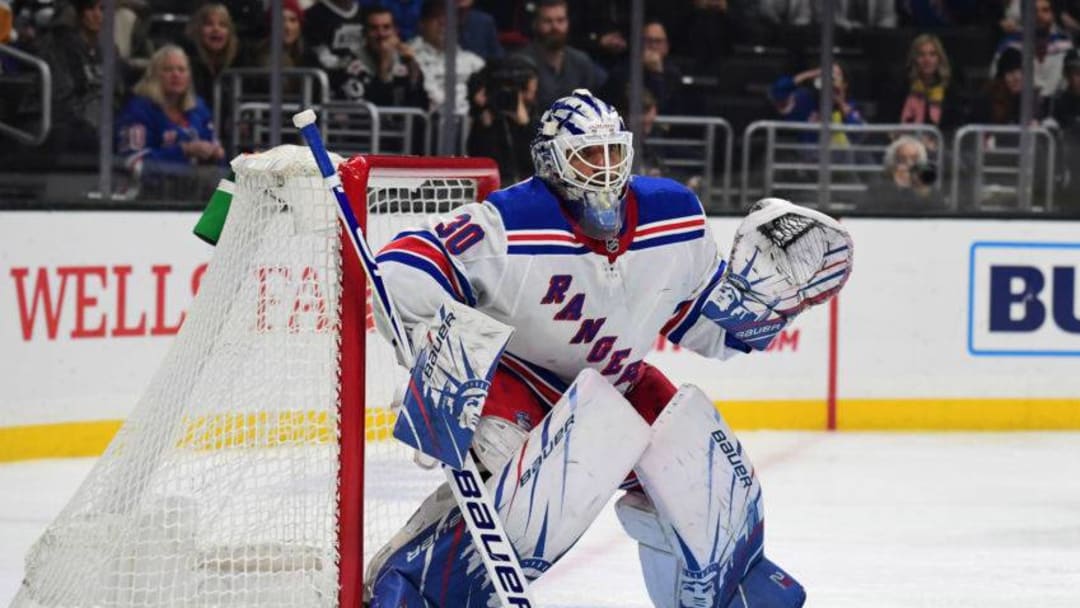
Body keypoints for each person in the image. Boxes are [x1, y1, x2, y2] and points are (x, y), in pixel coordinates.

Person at [363, 89, 853, 608]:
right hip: (520, 384)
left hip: (620, 384)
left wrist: (766, 306)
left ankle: (733, 595)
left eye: (611, 152)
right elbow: (405, 264)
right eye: (586, 155)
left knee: (708, 479)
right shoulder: (510, 221)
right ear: (552, 161)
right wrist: (438, 358)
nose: (603, 169)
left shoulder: (674, 215)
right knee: (536, 499)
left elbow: (706, 326)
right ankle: (413, 590)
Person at [116, 45, 224, 181]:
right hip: (152, 194)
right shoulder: (138, 110)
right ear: (154, 75)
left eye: (181, 70)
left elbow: (218, 156)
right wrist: (184, 150)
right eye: (168, 70)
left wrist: (216, 154)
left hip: (197, 190)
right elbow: (133, 162)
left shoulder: (199, 108)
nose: (176, 75)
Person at [514, 0, 605, 112]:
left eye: (560, 20)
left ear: (568, 23)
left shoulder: (582, 62)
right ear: (536, 24)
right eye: (548, 21)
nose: (555, 27)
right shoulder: (521, 62)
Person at [882, 33, 966, 145]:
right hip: (901, 146)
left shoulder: (951, 90)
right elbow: (887, 121)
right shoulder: (900, 86)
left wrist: (935, 142)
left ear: (939, 58)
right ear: (914, 58)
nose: (927, 60)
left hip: (938, 149)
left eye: (932, 54)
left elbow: (955, 127)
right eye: (921, 55)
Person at [465, 55, 538, 183]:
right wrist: (485, 121)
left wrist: (525, 125)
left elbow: (536, 164)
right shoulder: (488, 117)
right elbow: (479, 158)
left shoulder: (538, 118)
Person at [343, 5, 428, 109]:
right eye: (374, 28)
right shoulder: (352, 66)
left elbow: (420, 104)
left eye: (386, 27)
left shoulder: (404, 62)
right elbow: (371, 111)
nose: (381, 34)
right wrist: (384, 69)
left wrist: (411, 63)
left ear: (395, 32)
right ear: (364, 33)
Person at [409, 0, 485, 114]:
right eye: (435, 16)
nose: (443, 22)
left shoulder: (474, 62)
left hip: (466, 126)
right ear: (422, 23)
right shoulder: (408, 56)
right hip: (423, 125)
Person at [990, 0, 1073, 105]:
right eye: (1034, 11)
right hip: (1019, 109)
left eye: (1045, 10)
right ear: (1024, 15)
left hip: (1058, 109)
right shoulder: (1008, 46)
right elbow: (996, 82)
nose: (1039, 16)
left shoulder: (1065, 45)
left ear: (1053, 15)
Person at [601, 19, 684, 115]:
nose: (653, 46)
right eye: (648, 41)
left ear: (666, 46)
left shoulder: (673, 73)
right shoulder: (623, 70)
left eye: (658, 41)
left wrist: (657, 74)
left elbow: (668, 109)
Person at [182, 3, 243, 106]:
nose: (216, 29)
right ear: (198, 30)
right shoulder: (185, 61)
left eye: (223, 25)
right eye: (209, 24)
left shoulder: (240, 61)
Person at [862, 135, 944, 212]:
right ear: (892, 164)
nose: (909, 164)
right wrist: (896, 188)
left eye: (915, 159)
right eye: (902, 160)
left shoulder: (928, 190)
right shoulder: (878, 189)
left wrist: (920, 191)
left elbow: (940, 216)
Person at [303, 0, 365, 100]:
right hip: (327, 87)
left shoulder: (365, 12)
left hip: (361, 82)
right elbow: (319, 54)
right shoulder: (315, 14)